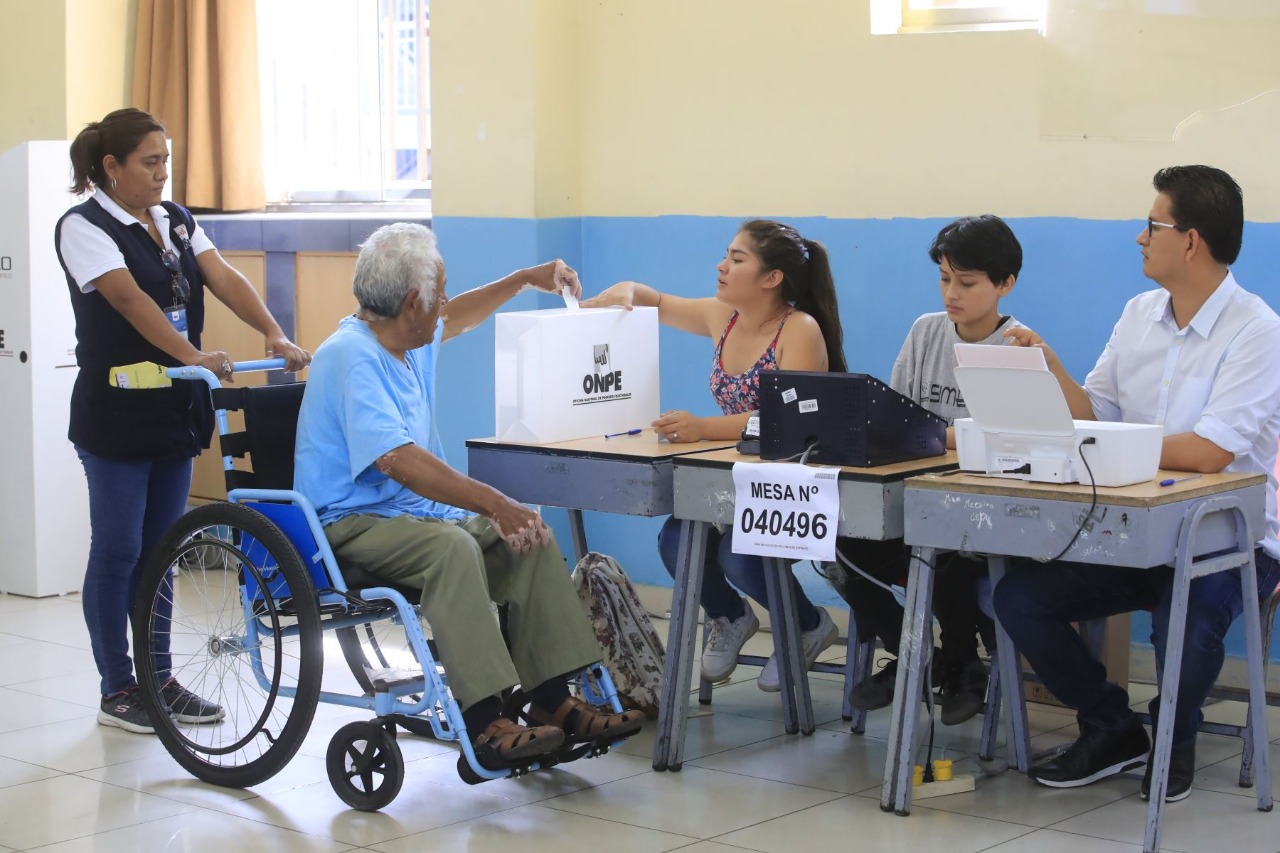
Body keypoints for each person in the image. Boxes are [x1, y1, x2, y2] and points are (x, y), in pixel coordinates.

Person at [293, 223, 643, 771]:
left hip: (409, 517)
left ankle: (552, 699)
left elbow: (462, 315)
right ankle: (483, 719)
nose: (446, 303)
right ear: (412, 304)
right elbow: (398, 461)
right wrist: (491, 502)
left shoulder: (406, 337)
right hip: (349, 524)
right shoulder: (350, 357)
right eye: (439, 292)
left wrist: (528, 278)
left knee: (527, 534)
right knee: (452, 548)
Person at [993, 165, 1280, 802]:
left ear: (1192, 241)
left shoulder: (1257, 331)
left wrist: (1113, 448)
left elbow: (1209, 453)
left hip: (1227, 540)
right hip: (1136, 530)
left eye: (1153, 225)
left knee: (1189, 616)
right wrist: (1047, 364)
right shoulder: (1140, 313)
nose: (1140, 238)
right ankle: (1112, 726)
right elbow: (1093, 416)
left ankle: (1175, 737)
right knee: (1018, 599)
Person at [55, 108, 311, 735]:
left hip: (174, 409)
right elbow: (128, 300)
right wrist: (194, 355)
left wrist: (274, 332)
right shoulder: (83, 226)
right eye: (149, 163)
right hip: (116, 413)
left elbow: (220, 277)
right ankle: (118, 686)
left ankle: (159, 678)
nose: (162, 174)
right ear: (110, 168)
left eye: (166, 160)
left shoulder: (174, 220)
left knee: (163, 551)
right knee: (118, 550)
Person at [581, 219, 844, 692]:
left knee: (739, 555)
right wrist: (624, 291)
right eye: (726, 255)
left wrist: (703, 428)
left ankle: (806, 627)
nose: (721, 266)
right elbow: (657, 302)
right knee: (675, 542)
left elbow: (789, 424)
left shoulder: (799, 330)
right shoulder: (721, 316)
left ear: (772, 278)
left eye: (737, 259)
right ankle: (731, 617)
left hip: (788, 485)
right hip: (729, 476)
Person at [835, 215, 1024, 725]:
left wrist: (932, 436)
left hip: (983, 517)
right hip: (913, 499)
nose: (951, 293)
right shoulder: (925, 332)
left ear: (1005, 284)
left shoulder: (1018, 347)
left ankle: (960, 659)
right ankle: (921, 655)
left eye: (966, 282)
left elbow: (1003, 439)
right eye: (944, 279)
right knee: (842, 545)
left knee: (943, 549)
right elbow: (893, 411)